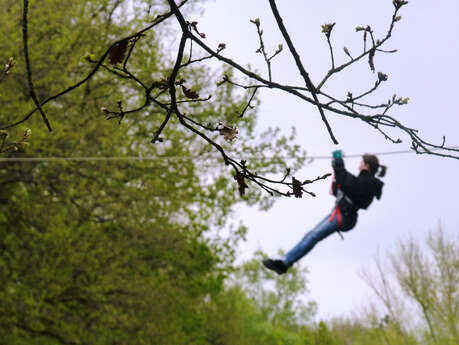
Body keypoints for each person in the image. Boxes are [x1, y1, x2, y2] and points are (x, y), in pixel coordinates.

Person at [262, 152, 386, 275]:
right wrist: (337, 178)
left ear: (367, 166)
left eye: (361, 163)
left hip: (344, 216)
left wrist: (338, 162)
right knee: (311, 235)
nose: (359, 165)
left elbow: (347, 182)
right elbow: (346, 185)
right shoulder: (364, 182)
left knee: (313, 236)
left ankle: (285, 262)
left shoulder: (367, 183)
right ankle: (285, 261)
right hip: (344, 215)